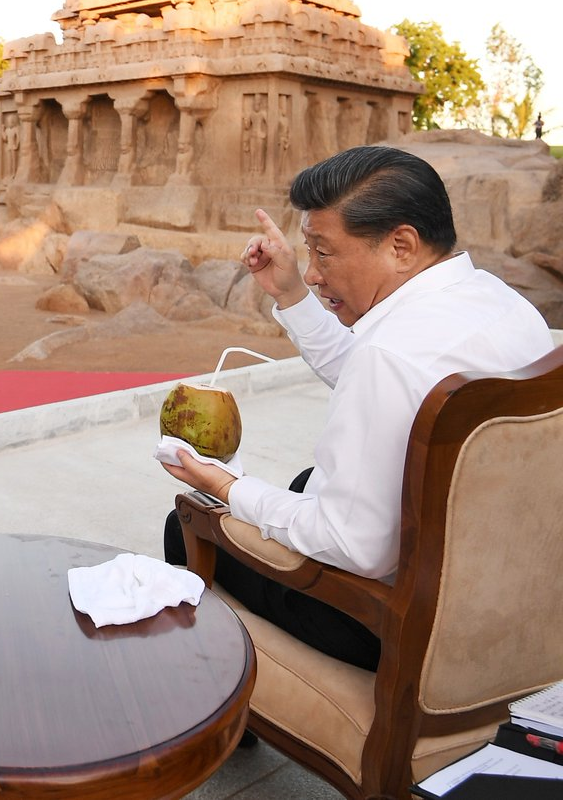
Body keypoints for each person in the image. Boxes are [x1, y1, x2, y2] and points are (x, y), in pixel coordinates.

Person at [163, 146, 554, 670]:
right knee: (303, 481)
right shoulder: (503, 304)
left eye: (323, 252)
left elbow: (353, 546)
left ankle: (225, 702)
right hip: (499, 583)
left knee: (186, 521)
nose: (314, 273)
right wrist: (291, 294)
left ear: (401, 246)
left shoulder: (388, 356)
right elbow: (377, 381)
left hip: (391, 618)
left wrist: (225, 488)